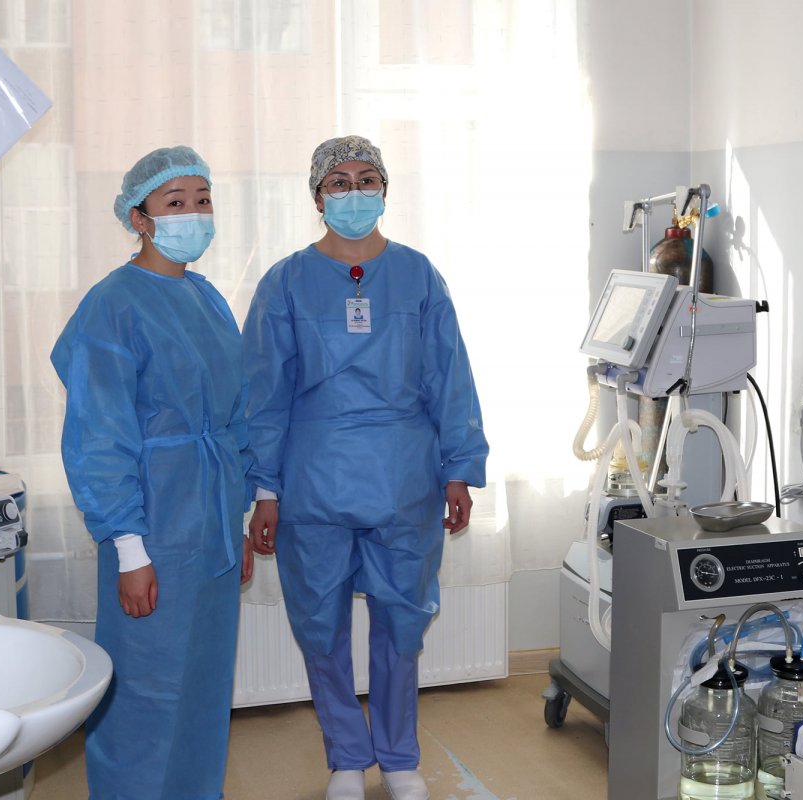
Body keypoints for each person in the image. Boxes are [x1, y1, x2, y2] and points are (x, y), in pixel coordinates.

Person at [243, 135, 488, 800]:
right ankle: (347, 758)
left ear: (385, 190)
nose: (354, 193)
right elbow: (263, 394)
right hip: (312, 478)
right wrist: (265, 490)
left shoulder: (418, 276)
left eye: (366, 180)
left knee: (401, 624)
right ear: (317, 196)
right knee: (319, 625)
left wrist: (459, 469)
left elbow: (450, 377)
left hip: (405, 476)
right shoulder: (285, 283)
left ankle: (399, 757)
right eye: (339, 182)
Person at [51, 145, 253, 800]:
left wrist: (238, 521)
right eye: (175, 202)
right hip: (152, 530)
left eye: (203, 199)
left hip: (212, 529)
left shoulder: (207, 298)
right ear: (139, 218)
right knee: (146, 692)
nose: (193, 212)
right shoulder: (112, 305)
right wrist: (130, 549)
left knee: (202, 690)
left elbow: (234, 419)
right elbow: (99, 437)